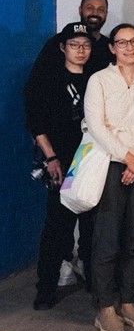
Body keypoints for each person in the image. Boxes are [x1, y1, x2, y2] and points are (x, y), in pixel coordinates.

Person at [84, 23, 134, 331]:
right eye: (122, 42)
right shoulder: (99, 80)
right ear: (112, 48)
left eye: (133, 42)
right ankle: (104, 306)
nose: (129, 47)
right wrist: (127, 157)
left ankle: (128, 301)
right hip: (110, 165)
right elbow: (96, 126)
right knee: (107, 238)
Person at [24, 22, 96, 310]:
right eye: (74, 45)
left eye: (86, 45)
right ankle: (46, 288)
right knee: (58, 227)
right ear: (62, 48)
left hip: (91, 160)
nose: (81, 50)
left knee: (93, 225)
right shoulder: (48, 79)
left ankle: (93, 279)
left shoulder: (97, 77)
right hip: (63, 162)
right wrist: (51, 157)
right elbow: (36, 122)